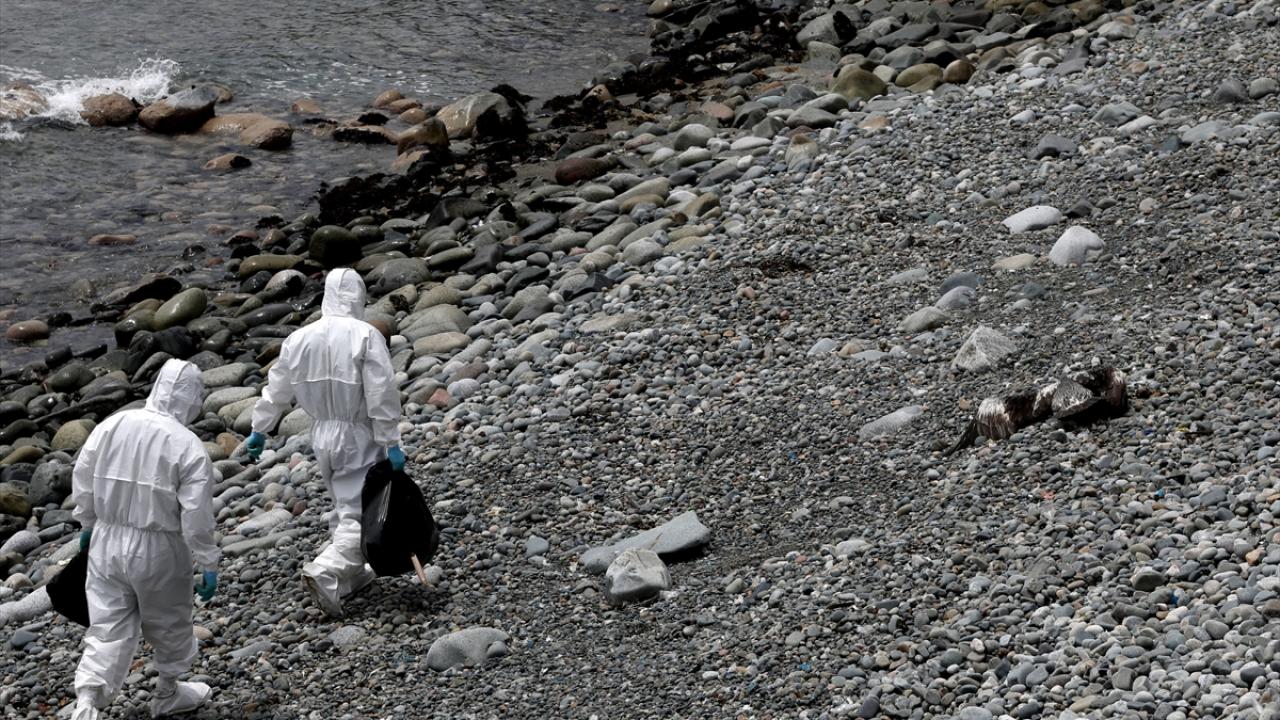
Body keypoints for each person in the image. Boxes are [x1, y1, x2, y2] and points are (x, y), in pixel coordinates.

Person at [245, 268, 405, 618]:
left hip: (321, 435)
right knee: (361, 511)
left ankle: (352, 575)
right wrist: (391, 441)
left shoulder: (298, 339)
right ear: (358, 297)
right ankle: (327, 569)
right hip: (357, 434)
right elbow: (380, 392)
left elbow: (277, 388)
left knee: (342, 502)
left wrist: (260, 428)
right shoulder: (364, 335)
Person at [70, 359, 219, 720]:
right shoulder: (187, 445)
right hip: (159, 548)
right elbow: (196, 516)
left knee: (106, 623)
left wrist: (87, 524)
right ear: (192, 398)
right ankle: (167, 692)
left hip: (107, 540)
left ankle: (86, 703)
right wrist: (207, 561)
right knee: (169, 622)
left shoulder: (113, 425)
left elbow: (83, 475)